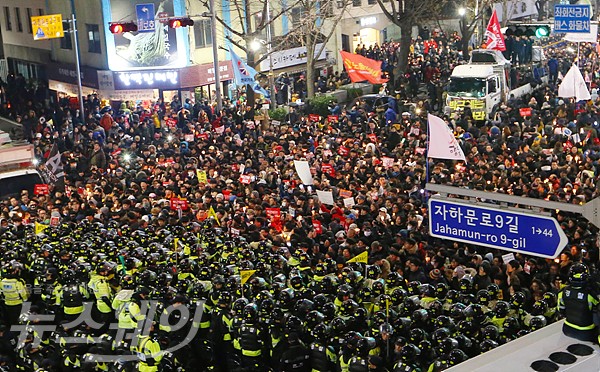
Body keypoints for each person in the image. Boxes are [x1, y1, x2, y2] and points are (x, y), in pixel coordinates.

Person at [558, 262, 600, 343]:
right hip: (586, 332)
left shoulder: (562, 292)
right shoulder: (590, 295)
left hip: (567, 329)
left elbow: (561, 311)